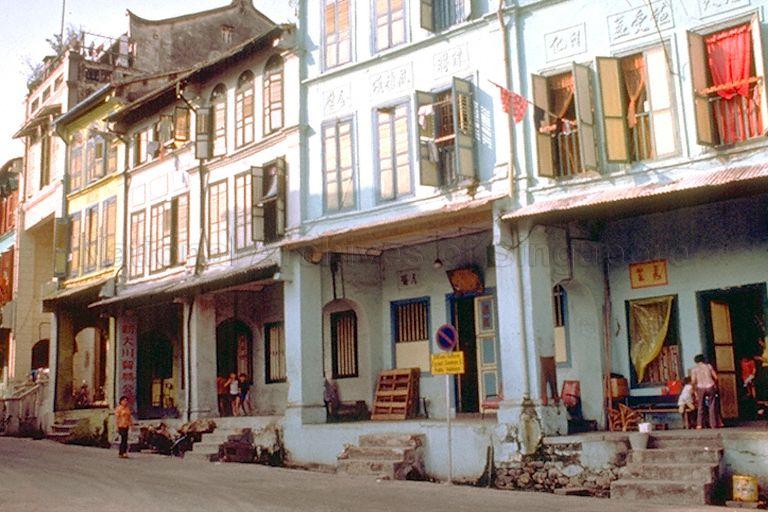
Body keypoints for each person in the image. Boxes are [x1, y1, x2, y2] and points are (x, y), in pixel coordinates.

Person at [690, 354, 722, 429]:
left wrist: (694, 390)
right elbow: (716, 377)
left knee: (700, 406)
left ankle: (699, 424)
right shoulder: (709, 366)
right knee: (712, 406)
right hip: (710, 386)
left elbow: (693, 381)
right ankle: (713, 424)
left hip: (700, 387)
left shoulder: (694, 369)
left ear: (695, 361)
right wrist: (715, 384)